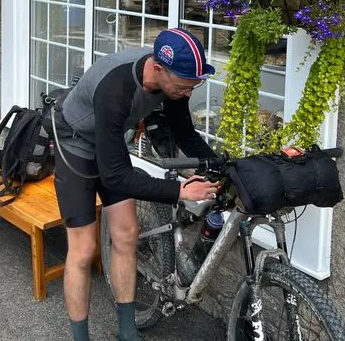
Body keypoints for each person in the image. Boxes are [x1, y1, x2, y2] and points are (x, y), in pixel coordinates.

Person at [54, 28, 221, 341]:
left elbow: (185, 134)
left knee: (127, 234)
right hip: (76, 143)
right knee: (83, 249)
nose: (188, 93)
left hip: (109, 141)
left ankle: (128, 330)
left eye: (194, 86)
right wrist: (180, 191)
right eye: (184, 86)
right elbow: (115, 176)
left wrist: (220, 167)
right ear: (158, 69)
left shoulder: (173, 82)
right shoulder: (115, 88)